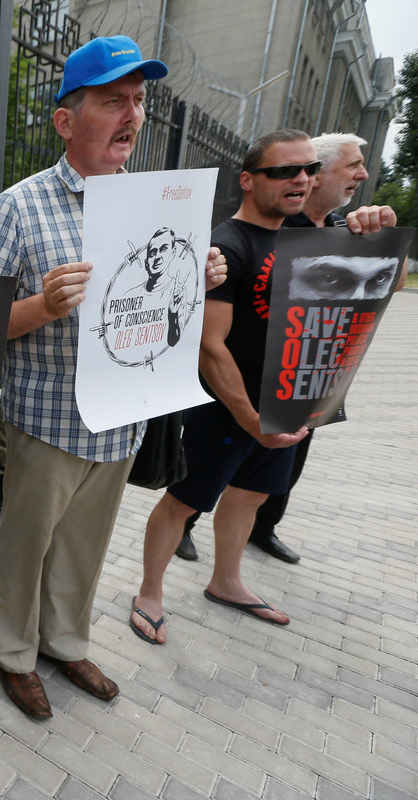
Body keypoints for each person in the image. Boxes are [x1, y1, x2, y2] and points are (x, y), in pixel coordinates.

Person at [0, 35, 226, 719]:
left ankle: (65, 643)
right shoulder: (20, 207)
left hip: (121, 421)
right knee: (26, 547)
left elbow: (164, 305)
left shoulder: (157, 207)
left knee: (84, 547)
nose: (132, 115)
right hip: (47, 421)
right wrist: (42, 306)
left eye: (138, 101)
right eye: (114, 101)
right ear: (66, 120)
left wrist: (199, 279)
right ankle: (15, 655)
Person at [131, 129, 322, 646]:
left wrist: (377, 224)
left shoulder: (302, 236)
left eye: (309, 169)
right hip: (225, 409)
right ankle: (150, 592)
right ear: (248, 180)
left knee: (252, 494)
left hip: (282, 403)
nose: (301, 179)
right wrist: (249, 418)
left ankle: (227, 581)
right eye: (284, 171)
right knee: (184, 500)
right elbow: (209, 346)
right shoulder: (227, 245)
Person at [174, 131, 399, 565]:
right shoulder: (268, 227)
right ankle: (185, 528)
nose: (362, 175)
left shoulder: (343, 229)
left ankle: (260, 534)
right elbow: (211, 338)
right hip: (236, 390)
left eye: (307, 169)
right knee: (199, 483)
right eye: (352, 165)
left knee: (268, 481)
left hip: (301, 383)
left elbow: (388, 285)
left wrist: (384, 238)